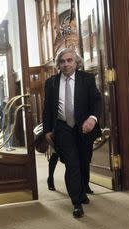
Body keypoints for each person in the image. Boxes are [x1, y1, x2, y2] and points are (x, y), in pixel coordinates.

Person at [42, 47, 101, 218]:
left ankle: (82, 192)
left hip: (84, 127)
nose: (66, 64)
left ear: (76, 62)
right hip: (62, 128)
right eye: (62, 61)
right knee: (72, 163)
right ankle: (76, 202)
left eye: (69, 60)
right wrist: (47, 130)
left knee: (83, 162)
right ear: (58, 64)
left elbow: (97, 102)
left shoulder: (87, 79)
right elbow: (47, 110)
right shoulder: (51, 83)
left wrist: (92, 119)